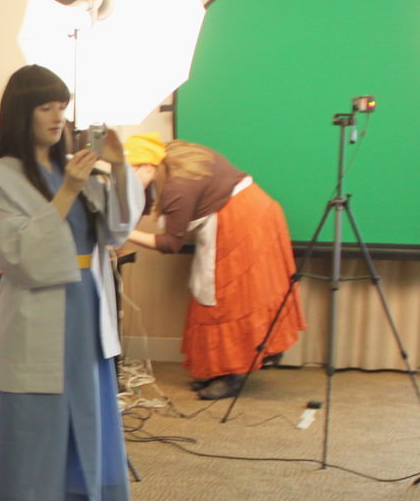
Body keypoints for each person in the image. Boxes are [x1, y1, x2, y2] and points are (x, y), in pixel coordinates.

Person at [0, 65, 137, 501]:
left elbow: (118, 230)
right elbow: (17, 254)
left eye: (62, 107)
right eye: (45, 107)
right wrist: (66, 191)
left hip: (85, 307)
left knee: (75, 423)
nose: (57, 117)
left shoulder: (76, 167)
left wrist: (118, 166)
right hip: (39, 311)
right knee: (33, 428)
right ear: (21, 113)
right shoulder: (2, 175)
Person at [120, 137, 304, 400]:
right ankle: (223, 368)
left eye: (130, 171)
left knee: (226, 297)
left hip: (241, 222)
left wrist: (124, 233)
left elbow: (171, 243)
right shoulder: (170, 157)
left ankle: (232, 374)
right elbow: (145, 202)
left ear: (148, 166)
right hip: (252, 211)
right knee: (219, 294)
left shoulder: (177, 186)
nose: (127, 179)